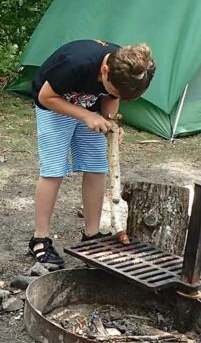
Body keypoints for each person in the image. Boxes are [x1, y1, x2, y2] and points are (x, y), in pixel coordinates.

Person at [28, 40, 156, 269]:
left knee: (97, 167)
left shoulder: (124, 68)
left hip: (91, 109)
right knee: (53, 171)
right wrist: (85, 116)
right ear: (104, 71)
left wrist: (109, 123)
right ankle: (40, 239)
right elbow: (45, 97)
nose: (114, 94)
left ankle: (91, 235)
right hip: (54, 107)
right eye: (114, 89)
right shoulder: (76, 63)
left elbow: (110, 98)